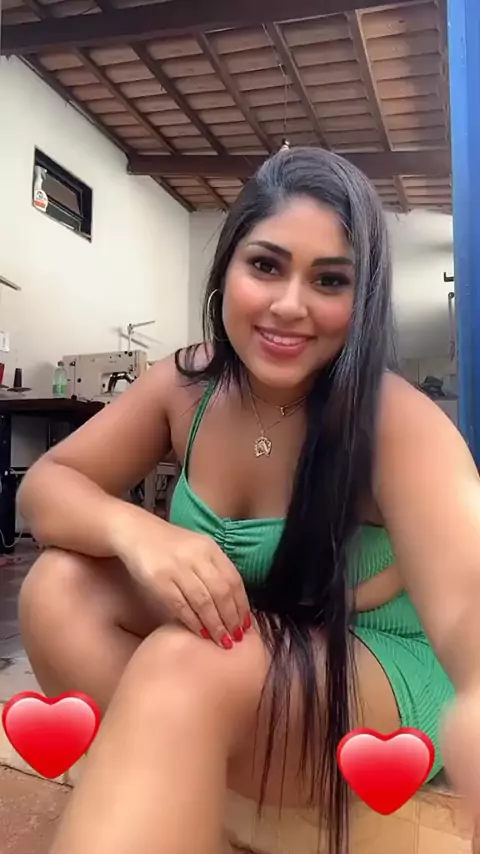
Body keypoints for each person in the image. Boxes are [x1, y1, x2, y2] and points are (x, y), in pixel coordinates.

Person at [17, 147, 480, 854]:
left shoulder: (392, 420)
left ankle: (177, 803)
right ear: (227, 267)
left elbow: (470, 610)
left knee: (184, 664)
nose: (289, 305)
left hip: (375, 670)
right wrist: (139, 532)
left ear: (362, 299)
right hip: (246, 651)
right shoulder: (187, 384)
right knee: (58, 589)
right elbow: (48, 486)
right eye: (265, 265)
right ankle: (185, 808)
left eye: (329, 280)